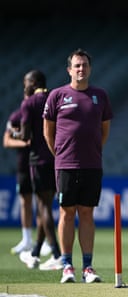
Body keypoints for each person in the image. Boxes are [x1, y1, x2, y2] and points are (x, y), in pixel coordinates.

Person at [43, 49, 113, 283]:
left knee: (86, 213)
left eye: (84, 65)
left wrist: (93, 150)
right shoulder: (57, 95)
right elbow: (48, 131)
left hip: (92, 164)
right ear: (69, 70)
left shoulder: (100, 96)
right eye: (77, 65)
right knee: (66, 212)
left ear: (90, 68)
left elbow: (104, 130)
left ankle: (88, 267)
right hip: (65, 164)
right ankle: (66, 266)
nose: (81, 69)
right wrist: (60, 154)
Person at [17, 70, 63, 270]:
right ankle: (35, 252)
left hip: (38, 160)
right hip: (57, 159)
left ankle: (57, 254)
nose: (24, 86)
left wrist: (15, 132)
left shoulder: (29, 103)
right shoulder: (55, 98)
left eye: (26, 82)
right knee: (47, 206)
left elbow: (26, 136)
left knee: (43, 207)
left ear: (33, 83)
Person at [3, 105, 34, 255]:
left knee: (43, 202)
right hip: (23, 165)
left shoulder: (44, 112)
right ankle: (26, 239)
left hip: (41, 163)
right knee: (25, 201)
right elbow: (7, 141)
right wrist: (25, 142)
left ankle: (46, 240)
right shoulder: (17, 116)